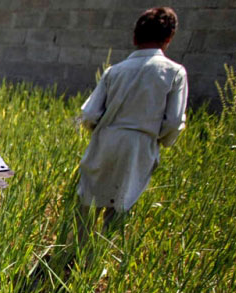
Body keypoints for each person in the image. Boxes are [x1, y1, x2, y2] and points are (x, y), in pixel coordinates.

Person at [76, 6, 188, 238]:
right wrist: (158, 140)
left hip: (105, 139)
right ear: (169, 39)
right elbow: (174, 121)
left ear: (135, 37)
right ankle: (99, 261)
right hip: (140, 145)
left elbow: (89, 114)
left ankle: (76, 253)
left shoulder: (115, 71)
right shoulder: (175, 72)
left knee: (89, 199)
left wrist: (100, 130)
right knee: (120, 203)